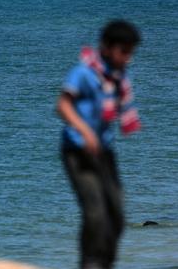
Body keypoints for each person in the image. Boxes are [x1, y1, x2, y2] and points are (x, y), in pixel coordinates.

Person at [57, 19, 141, 269]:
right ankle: (90, 263)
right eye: (123, 51)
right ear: (106, 47)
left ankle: (105, 262)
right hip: (77, 151)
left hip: (104, 152)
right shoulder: (83, 73)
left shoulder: (117, 77)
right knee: (94, 212)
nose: (127, 58)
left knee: (116, 213)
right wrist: (85, 130)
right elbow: (62, 106)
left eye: (130, 53)